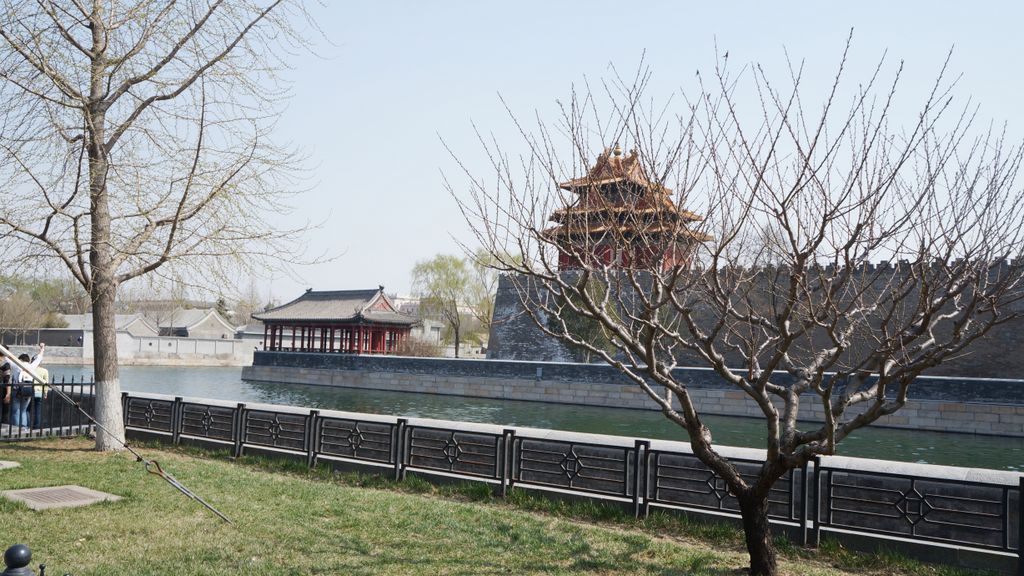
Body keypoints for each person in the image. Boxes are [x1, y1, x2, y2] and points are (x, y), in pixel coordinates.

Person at [9, 343, 44, 429]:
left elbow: (7, 358)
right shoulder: (32, 366)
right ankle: (24, 428)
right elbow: (39, 358)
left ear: (19, 359)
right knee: (23, 410)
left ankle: (16, 429)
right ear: (28, 360)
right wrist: (42, 348)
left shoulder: (16, 365)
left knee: (16, 411)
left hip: (16, 390)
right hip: (28, 391)